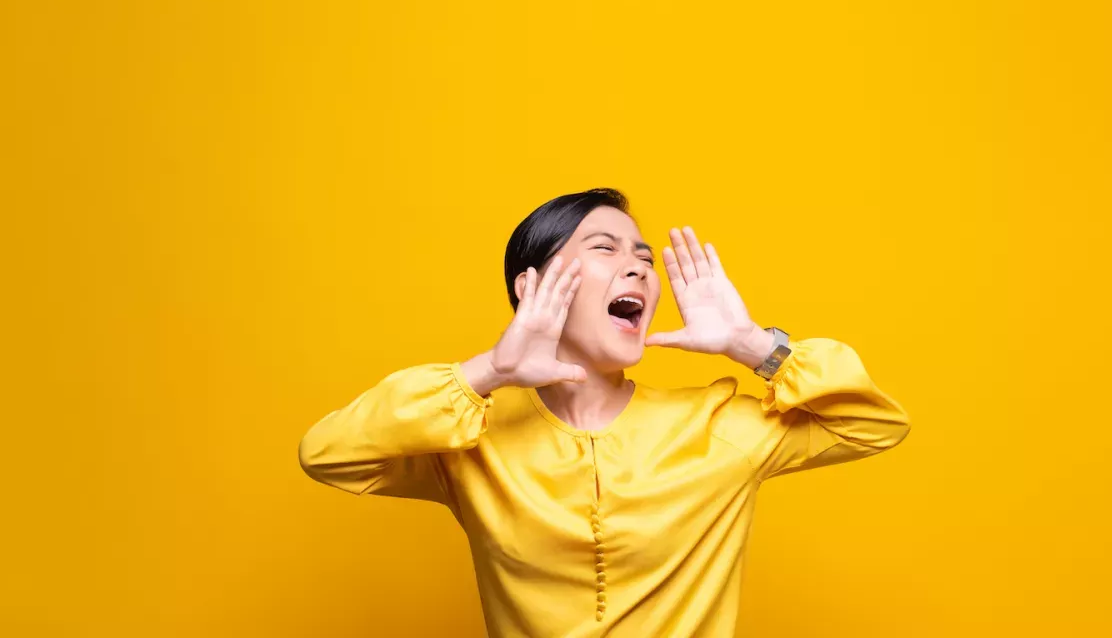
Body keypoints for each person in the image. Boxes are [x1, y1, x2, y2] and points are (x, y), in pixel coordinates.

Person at [298, 187, 910, 637]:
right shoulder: (472, 443)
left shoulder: (717, 427)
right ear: (531, 285)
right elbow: (329, 454)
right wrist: (490, 370)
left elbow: (874, 424)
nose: (639, 267)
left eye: (644, 257)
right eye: (605, 247)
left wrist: (753, 344)